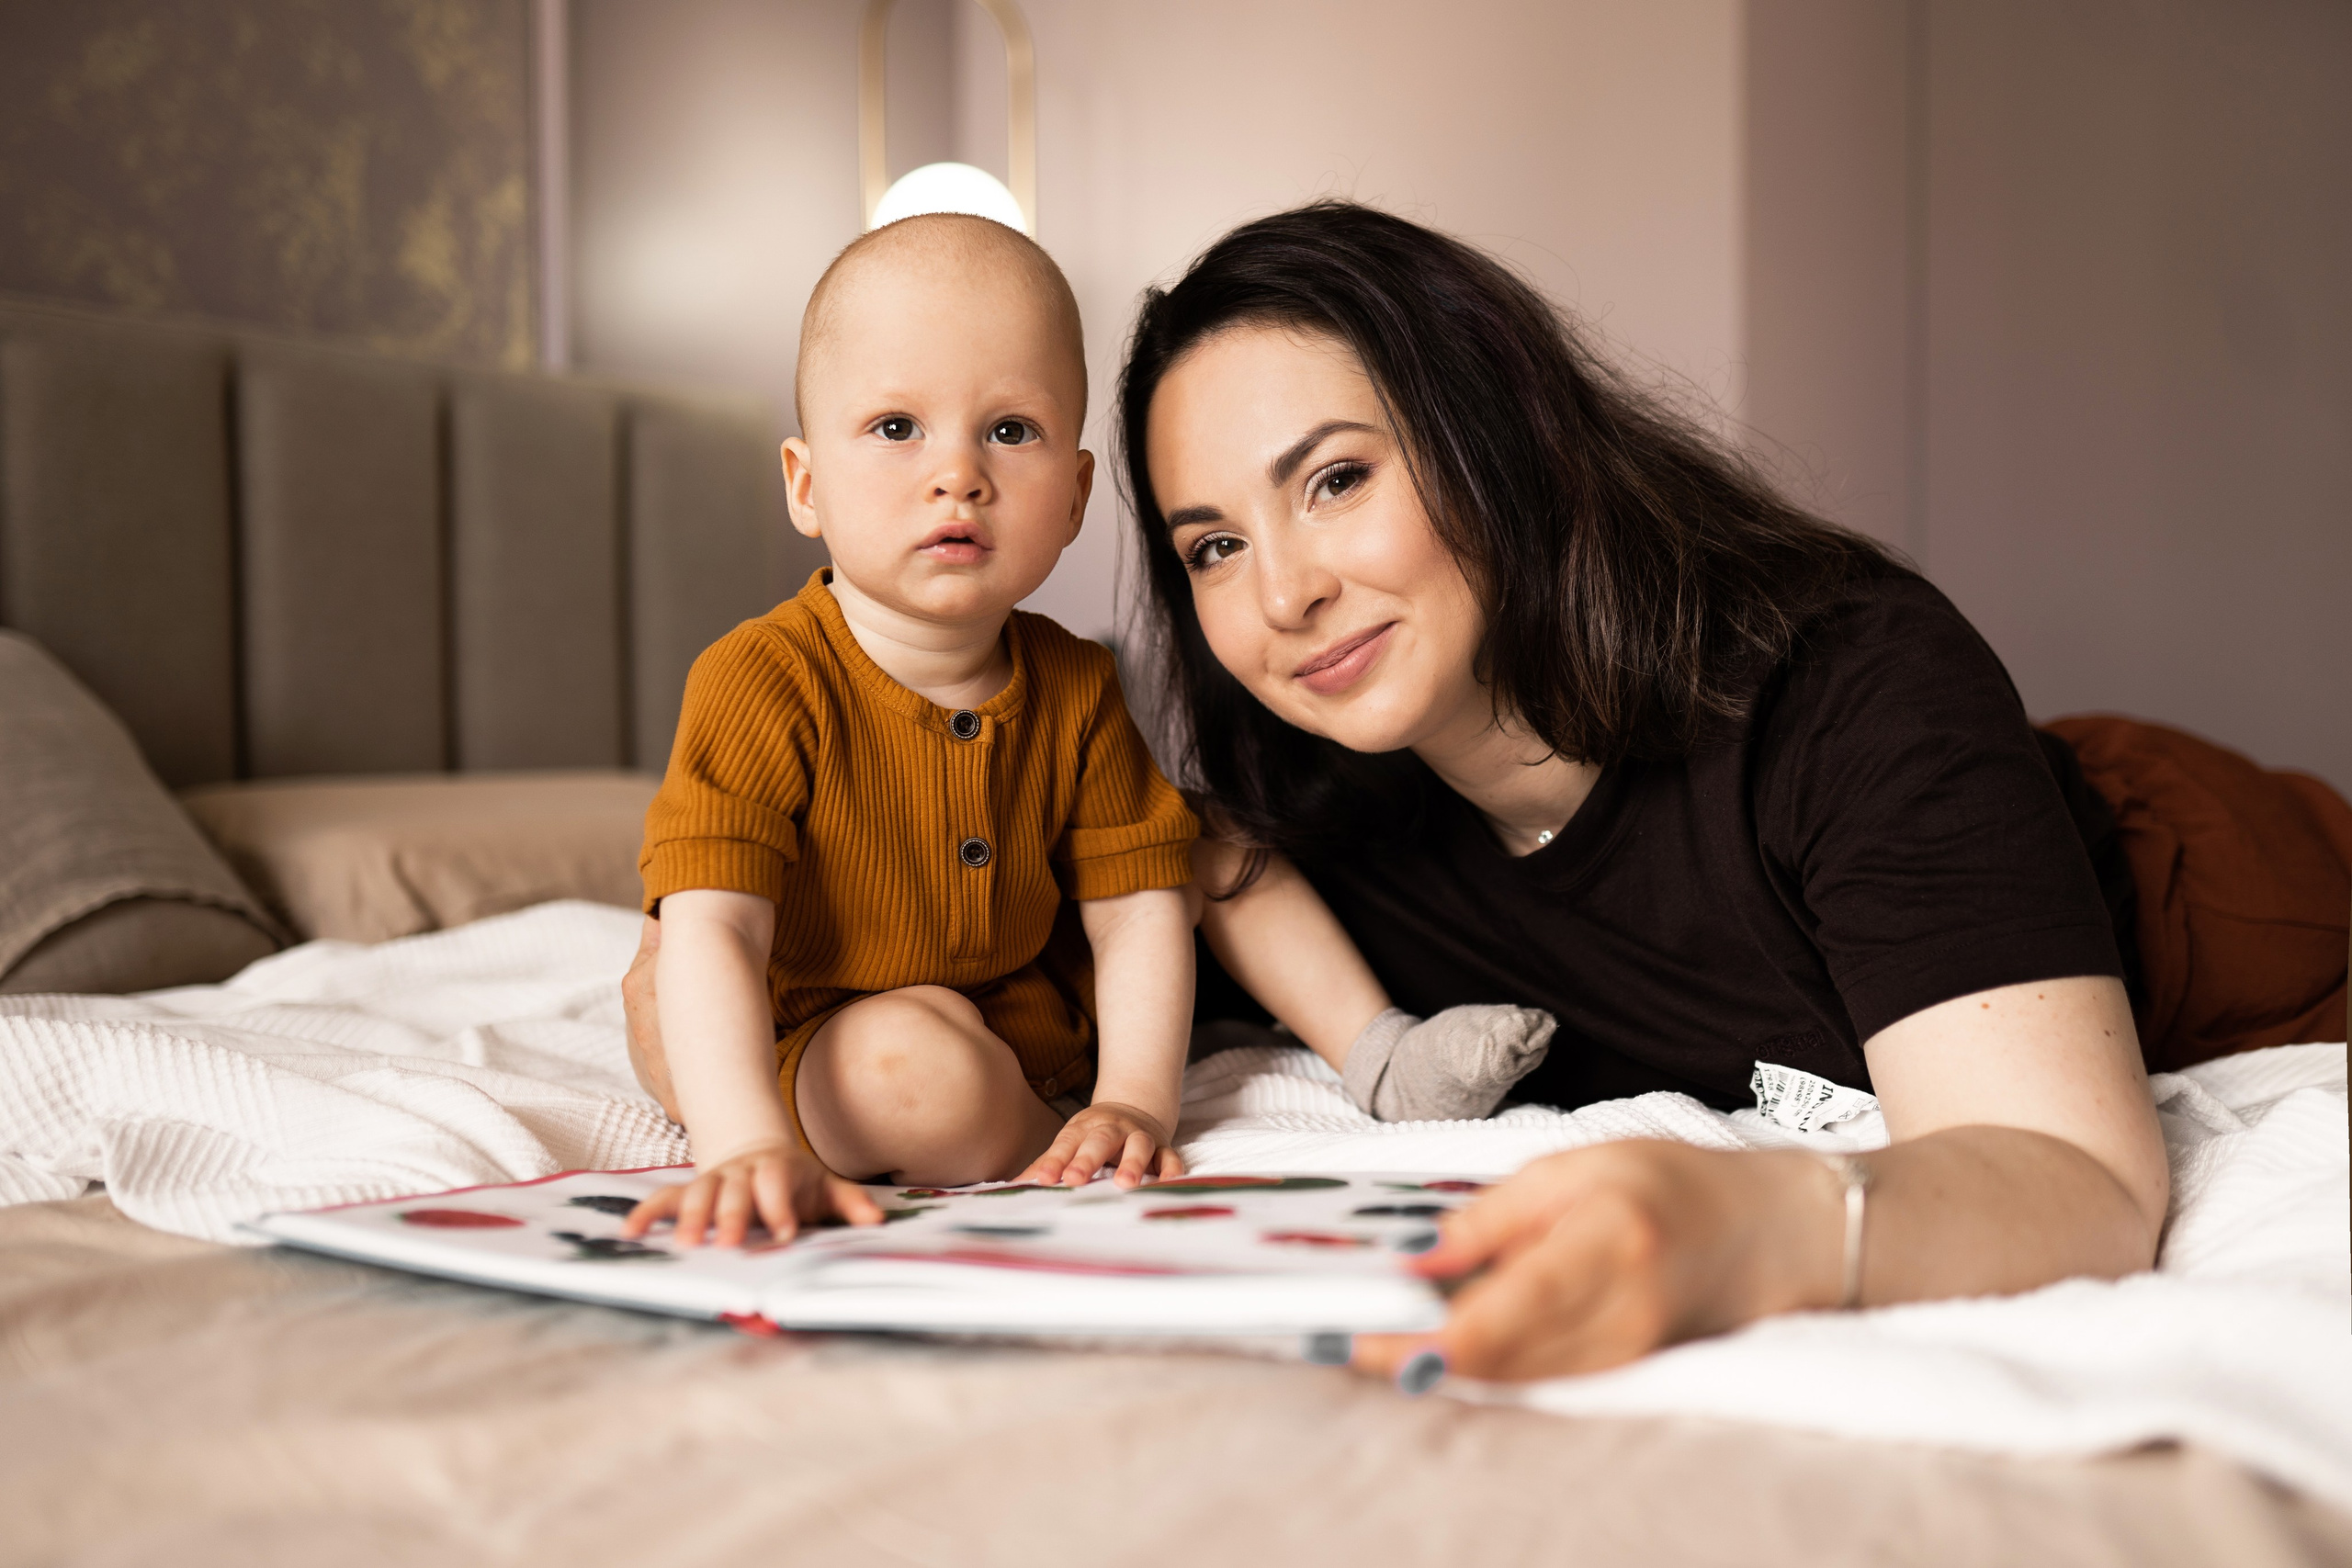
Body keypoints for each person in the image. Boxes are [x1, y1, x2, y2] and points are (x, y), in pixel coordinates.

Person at [1121, 200, 2188, 1384]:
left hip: (2213, 881)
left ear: (1497, 434)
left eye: (1335, 479)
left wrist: (1753, 1227)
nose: (1281, 595)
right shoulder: (1303, 836)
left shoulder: (1849, 686)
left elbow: (2083, 1179)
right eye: (1212, 546)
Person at [617, 214, 1205, 1248]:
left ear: (1073, 497)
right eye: (897, 428)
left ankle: (1077, 1136)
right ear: (806, 484)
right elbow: (712, 930)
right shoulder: (760, 678)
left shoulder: (1077, 682)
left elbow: (1138, 910)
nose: (958, 475)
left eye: (1010, 430)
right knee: (906, 1067)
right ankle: (1039, 1154)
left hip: (1038, 1043)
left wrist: (1135, 1102)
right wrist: (746, 1143)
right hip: (821, 1047)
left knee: (1179, 896)